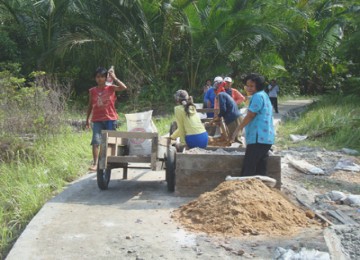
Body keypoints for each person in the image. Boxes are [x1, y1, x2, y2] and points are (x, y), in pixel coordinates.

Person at [231, 73, 275, 176]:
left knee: (248, 169)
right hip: (266, 138)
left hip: (258, 139)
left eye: (252, 86)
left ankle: (244, 190)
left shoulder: (257, 96)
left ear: (258, 86)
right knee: (260, 169)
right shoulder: (264, 95)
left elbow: (250, 115)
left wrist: (237, 130)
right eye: (247, 85)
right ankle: (261, 190)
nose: (249, 88)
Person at [86, 67, 127, 171]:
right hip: (97, 119)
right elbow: (90, 105)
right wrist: (87, 119)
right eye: (97, 77)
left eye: (102, 77)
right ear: (95, 78)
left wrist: (114, 77)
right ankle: (96, 163)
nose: (99, 79)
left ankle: (106, 161)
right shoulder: (92, 91)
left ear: (105, 78)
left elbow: (123, 87)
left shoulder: (111, 88)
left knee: (108, 142)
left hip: (110, 118)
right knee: (96, 141)